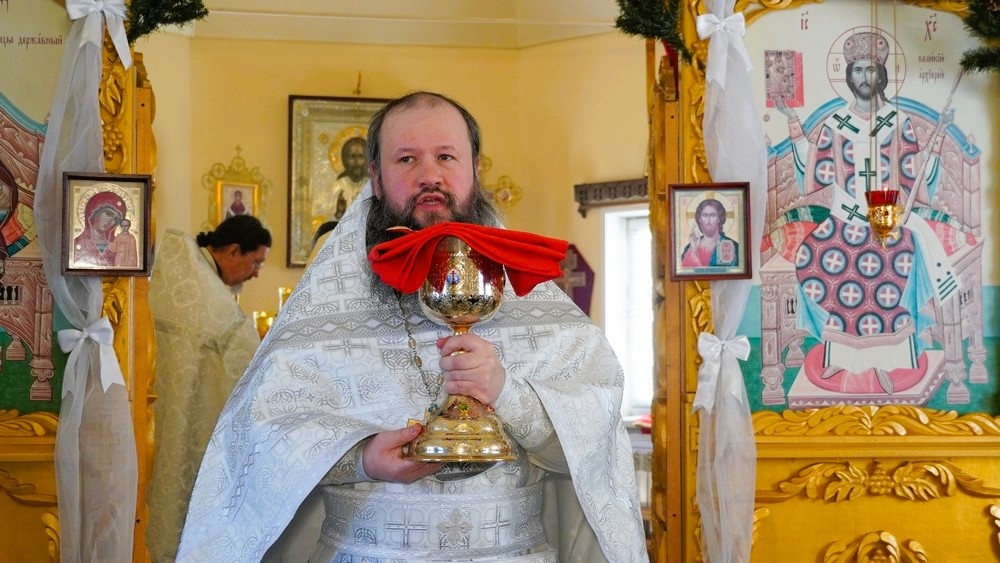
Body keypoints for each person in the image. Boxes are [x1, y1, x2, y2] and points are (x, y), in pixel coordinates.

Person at [177, 91, 648, 562]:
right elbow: (257, 442)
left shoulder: (541, 314)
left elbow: (596, 450)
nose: (429, 175)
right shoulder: (322, 315)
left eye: (446, 156)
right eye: (406, 159)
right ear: (376, 178)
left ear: (475, 168)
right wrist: (361, 459)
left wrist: (506, 392)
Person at [769, 29, 972, 395]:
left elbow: (915, 174)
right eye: (859, 70)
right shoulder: (836, 123)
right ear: (850, 76)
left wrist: (939, 135)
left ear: (882, 75)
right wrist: (793, 121)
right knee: (818, 258)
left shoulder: (896, 121)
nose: (865, 77)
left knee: (891, 258)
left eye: (872, 69)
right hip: (844, 216)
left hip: (885, 214)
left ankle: (889, 359)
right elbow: (812, 172)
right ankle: (844, 356)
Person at [146, 214, 272, 562]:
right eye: (255, 262)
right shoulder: (220, 310)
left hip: (146, 417)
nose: (256, 273)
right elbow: (251, 374)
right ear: (233, 251)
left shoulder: (178, 270)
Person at [311, 135, 367, 234]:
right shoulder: (335, 188)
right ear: (345, 159)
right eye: (352, 157)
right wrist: (338, 215)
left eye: (361, 157)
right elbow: (316, 216)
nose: (356, 162)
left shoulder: (375, 188)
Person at [680, 197, 738, 268]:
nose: (708, 219)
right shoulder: (690, 247)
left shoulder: (732, 245)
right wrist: (693, 250)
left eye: (713, 215)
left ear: (719, 219)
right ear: (699, 219)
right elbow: (684, 271)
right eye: (705, 215)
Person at [72, 190, 125, 267]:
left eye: (115, 219)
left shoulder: (117, 247)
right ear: (94, 211)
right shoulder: (75, 244)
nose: (110, 221)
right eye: (108, 213)